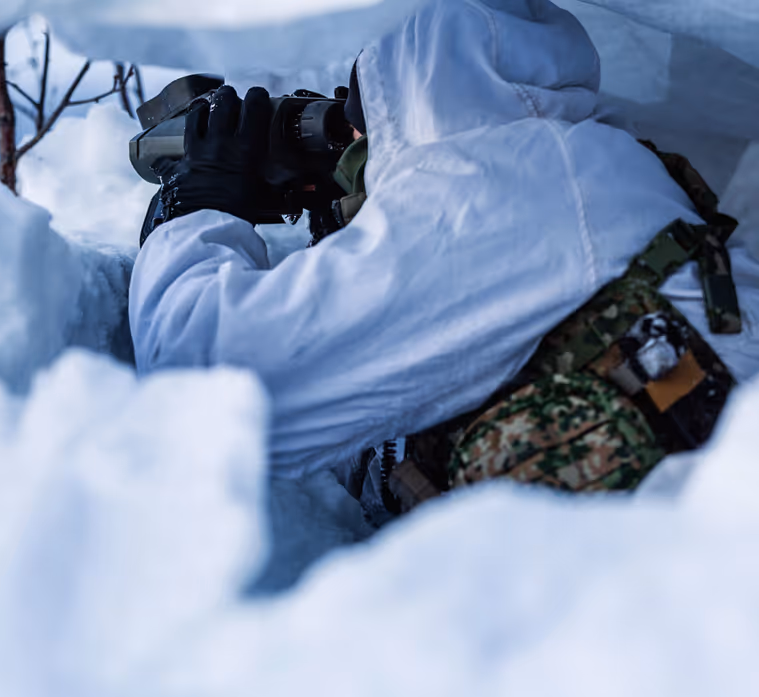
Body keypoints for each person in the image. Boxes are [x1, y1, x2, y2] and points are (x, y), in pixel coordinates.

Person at [129, 0, 759, 569]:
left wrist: (201, 200)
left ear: (408, 84)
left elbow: (203, 376)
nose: (352, 135)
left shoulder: (489, 190)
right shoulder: (582, 163)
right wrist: (343, 225)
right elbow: (392, 401)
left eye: (360, 105)